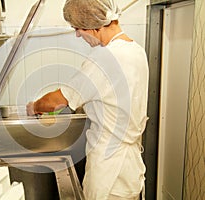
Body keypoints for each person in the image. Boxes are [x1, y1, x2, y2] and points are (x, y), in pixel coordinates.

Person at [26, 0, 149, 199]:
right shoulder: (136, 50)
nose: (77, 34)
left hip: (109, 171)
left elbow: (58, 99)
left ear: (92, 26)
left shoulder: (105, 57)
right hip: (130, 168)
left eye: (77, 28)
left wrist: (34, 107)